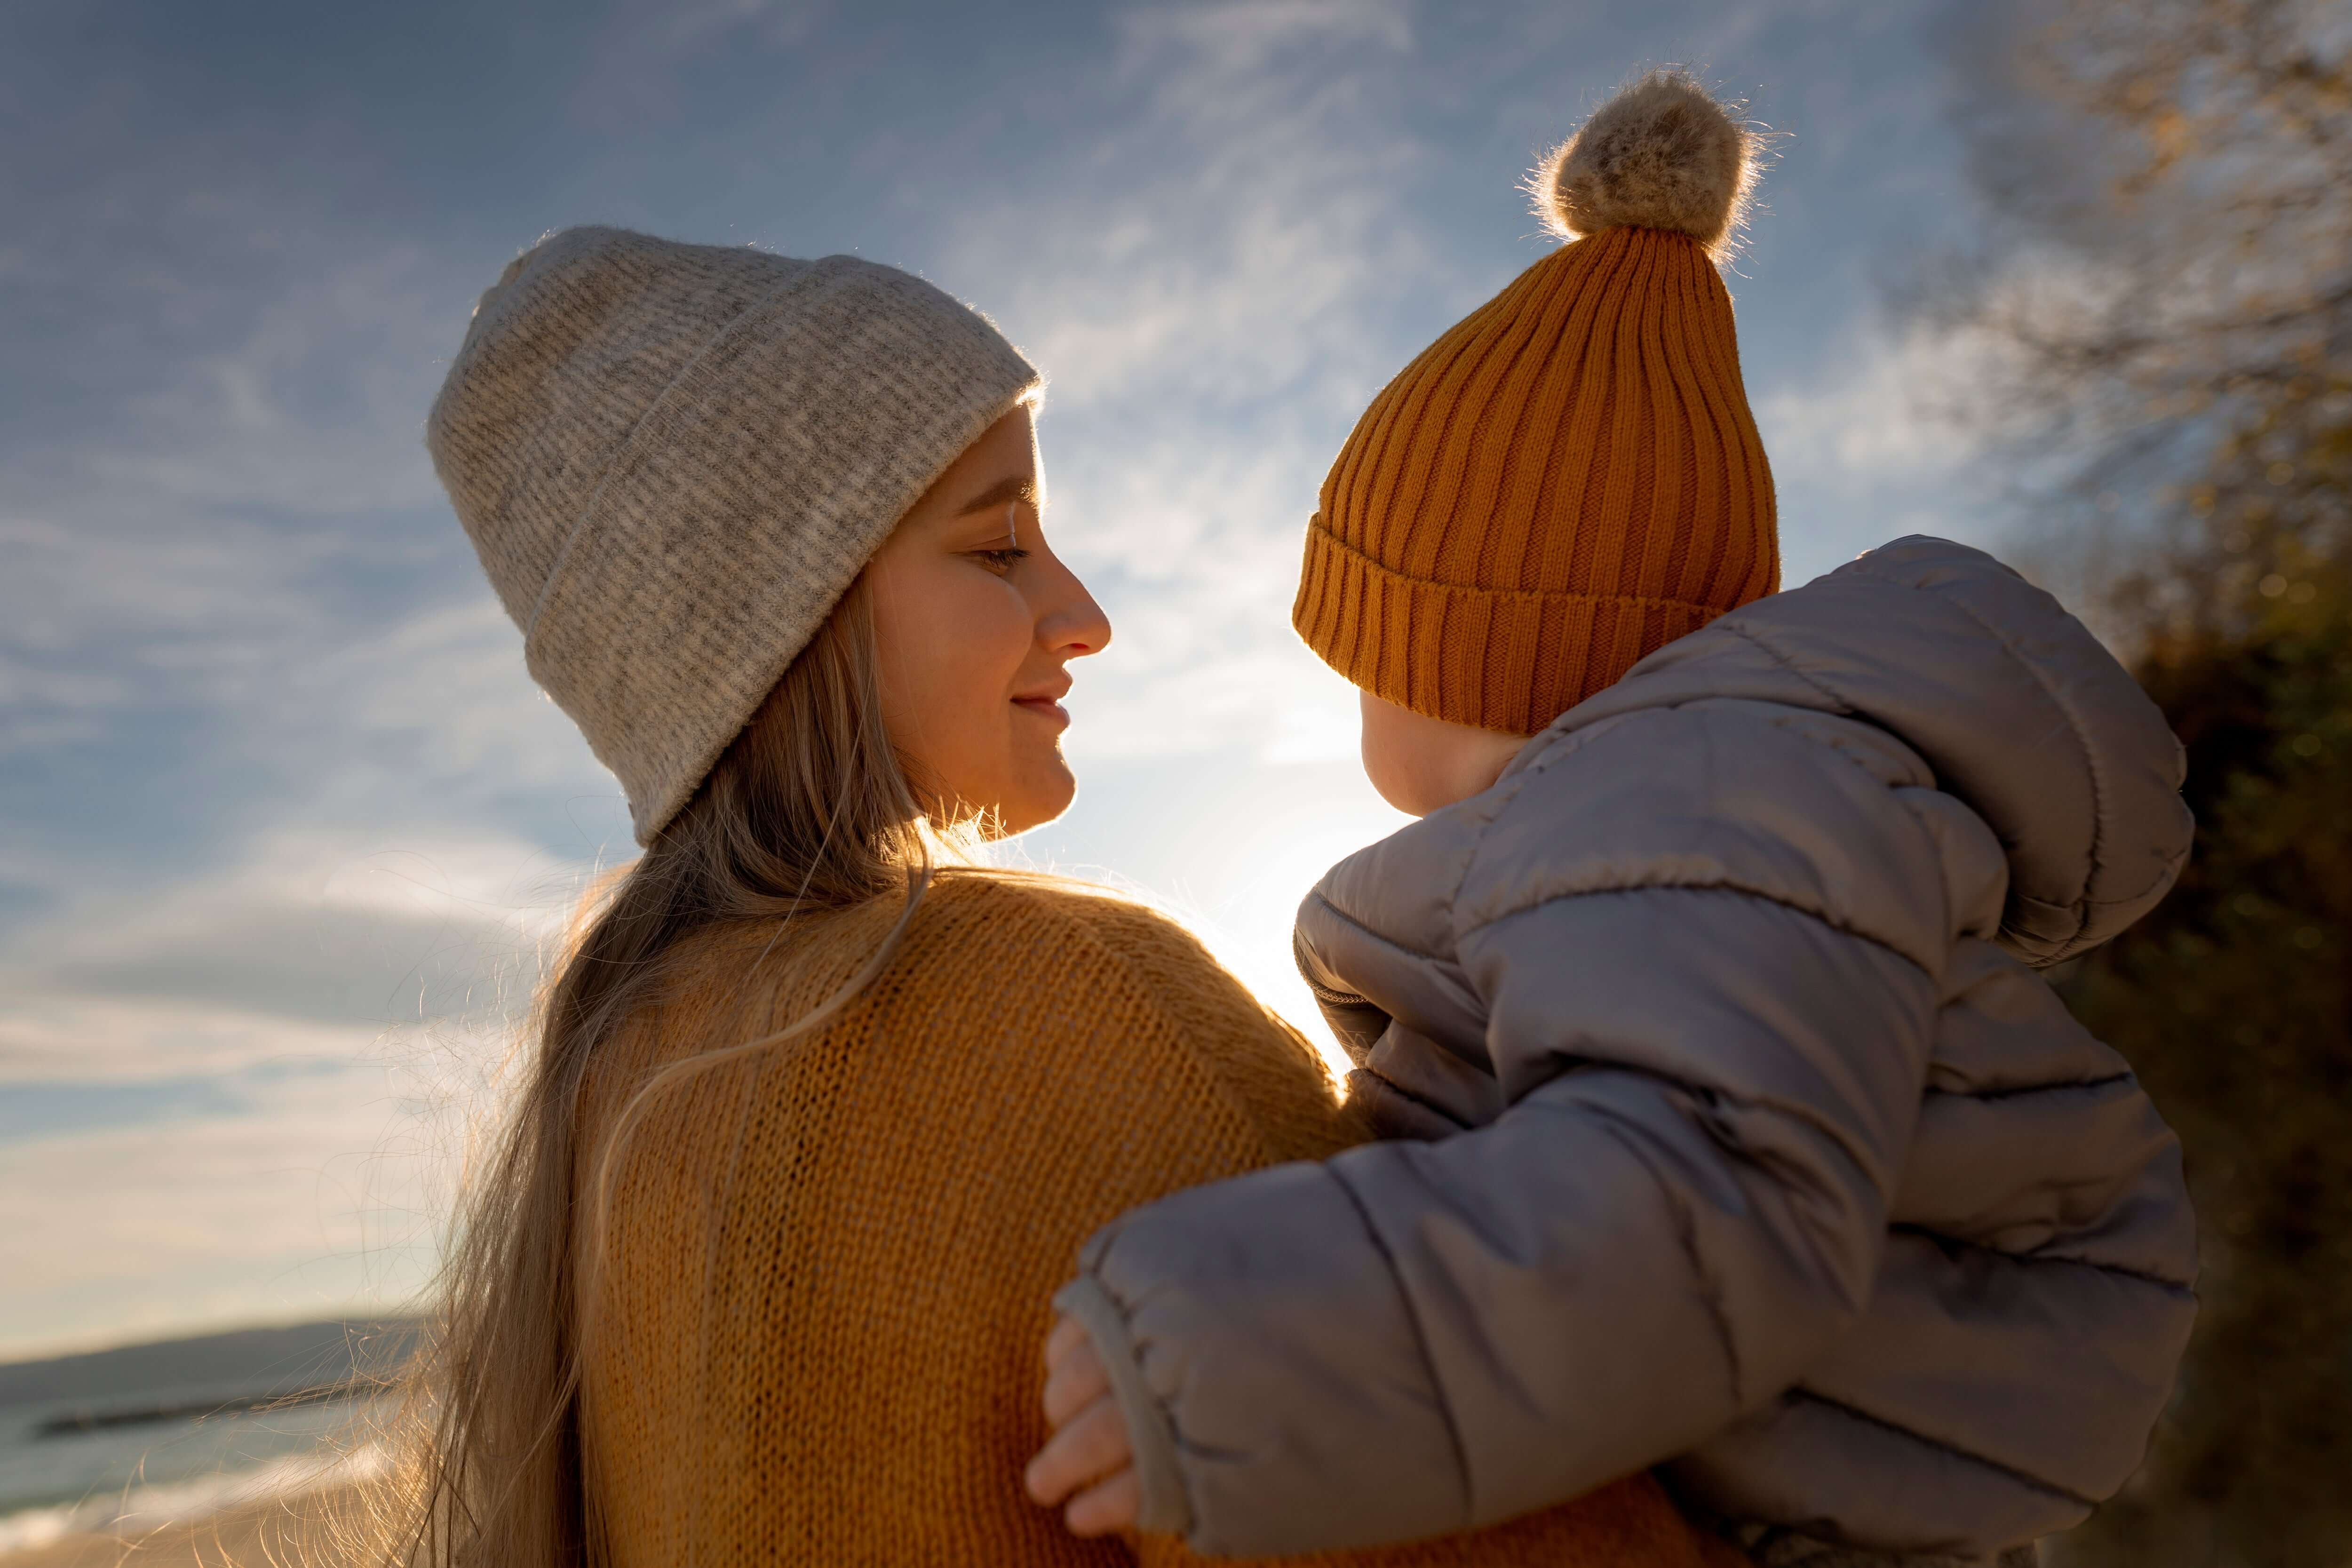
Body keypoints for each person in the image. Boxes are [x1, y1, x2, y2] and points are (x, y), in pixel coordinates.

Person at [381, 225, 1742, 1567]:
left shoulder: (615, 1096)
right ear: (789, 623)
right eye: (997, 548)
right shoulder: (1053, 1013)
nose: (1081, 610)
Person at [1027, 73, 2200, 1567]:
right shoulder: (1690, 829)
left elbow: (1699, 1197)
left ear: (1469, 658)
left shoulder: (1694, 816)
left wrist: (1235, 1362)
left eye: (1370, 655)